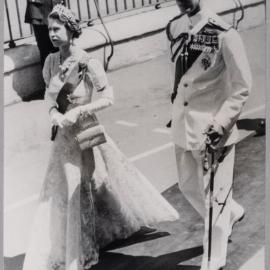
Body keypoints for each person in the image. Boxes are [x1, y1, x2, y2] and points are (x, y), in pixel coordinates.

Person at [22, 4, 179, 270]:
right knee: (61, 192)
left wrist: (81, 110)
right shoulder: (50, 62)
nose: (52, 34)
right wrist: (54, 115)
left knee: (80, 189)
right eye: (49, 29)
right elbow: (50, 98)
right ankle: (72, 240)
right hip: (63, 138)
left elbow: (109, 97)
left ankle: (81, 247)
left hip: (85, 132)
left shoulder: (87, 61)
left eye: (57, 29)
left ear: (71, 31)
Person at [166, 0, 252, 269]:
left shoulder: (225, 33)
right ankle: (232, 212)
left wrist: (222, 123)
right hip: (183, 127)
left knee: (214, 201)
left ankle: (213, 261)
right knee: (187, 186)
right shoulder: (174, 28)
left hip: (213, 130)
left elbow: (242, 86)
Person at [24, 0, 64, 67]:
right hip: (38, 10)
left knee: (58, 48)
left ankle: (60, 75)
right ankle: (48, 76)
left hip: (56, 7)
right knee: (44, 50)